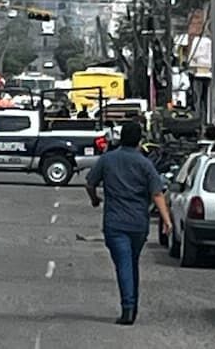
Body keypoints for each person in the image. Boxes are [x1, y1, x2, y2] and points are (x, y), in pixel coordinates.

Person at [85, 121, 171, 326]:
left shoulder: (108, 160)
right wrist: (166, 220)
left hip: (115, 223)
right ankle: (132, 304)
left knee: (123, 264)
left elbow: (90, 182)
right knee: (131, 263)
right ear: (139, 140)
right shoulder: (145, 164)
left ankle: (128, 307)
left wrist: (95, 199)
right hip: (138, 224)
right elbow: (157, 193)